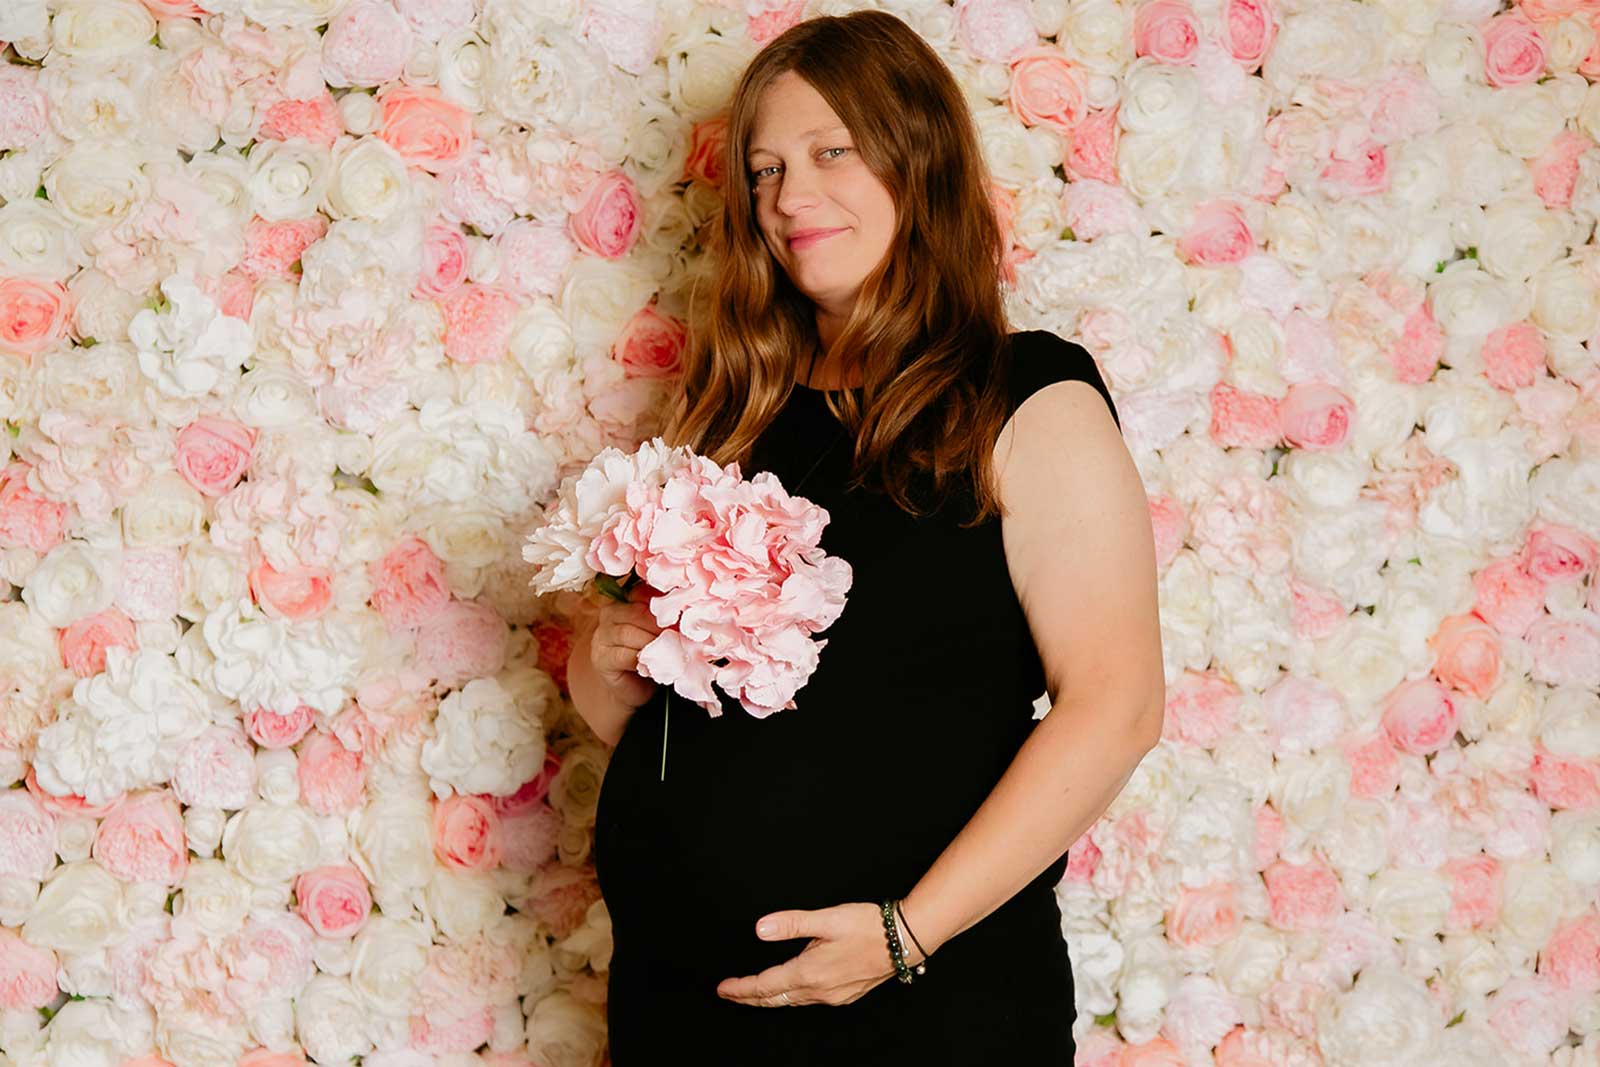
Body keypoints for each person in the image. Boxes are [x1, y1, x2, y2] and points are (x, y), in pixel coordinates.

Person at [567, 10, 1165, 1064]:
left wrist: (905, 935)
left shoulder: (1025, 396)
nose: (789, 197)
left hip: (920, 1012)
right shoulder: (733, 413)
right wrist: (606, 667)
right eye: (764, 170)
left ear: (918, 160)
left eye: (829, 152)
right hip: (682, 1006)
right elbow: (744, 733)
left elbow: (1113, 707)